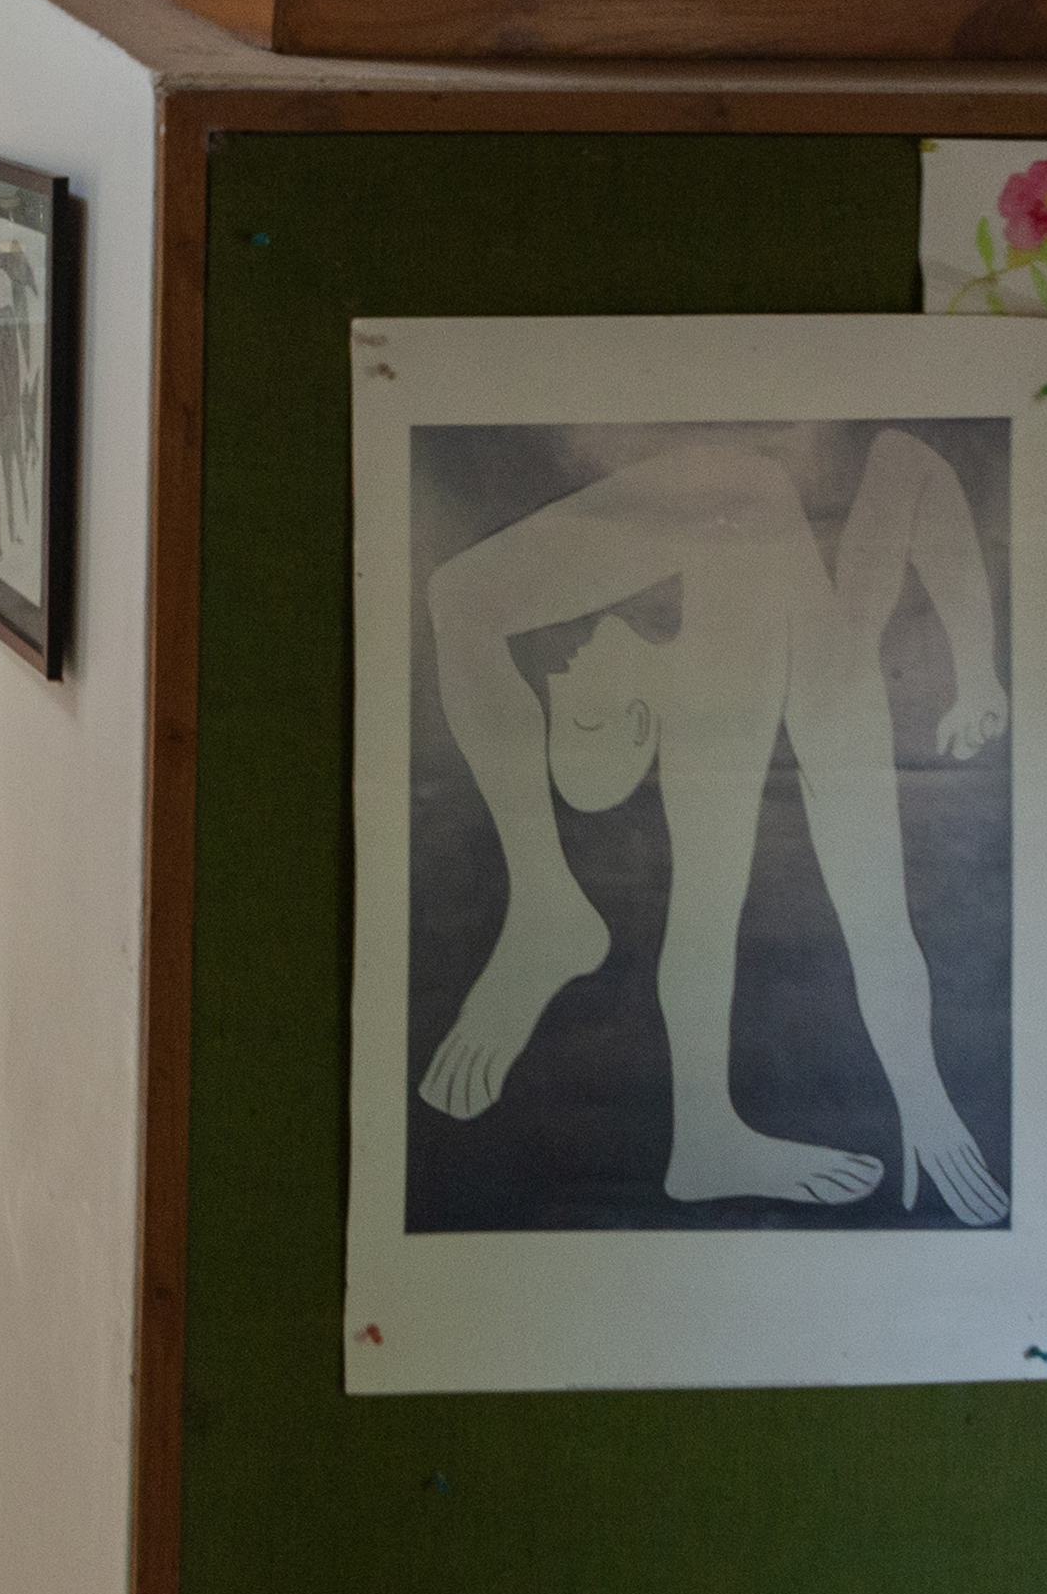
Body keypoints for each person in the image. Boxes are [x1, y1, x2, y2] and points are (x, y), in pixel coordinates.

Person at [415, 430, 1010, 1223]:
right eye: (583, 718)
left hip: (742, 556)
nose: (560, 670)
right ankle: (696, 1122)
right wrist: (924, 1099)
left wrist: (979, 675)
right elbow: (876, 928)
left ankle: (551, 912)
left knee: (460, 596)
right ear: (641, 720)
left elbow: (905, 462)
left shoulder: (738, 639)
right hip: (767, 604)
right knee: (710, 876)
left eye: (558, 711)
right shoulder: (770, 696)